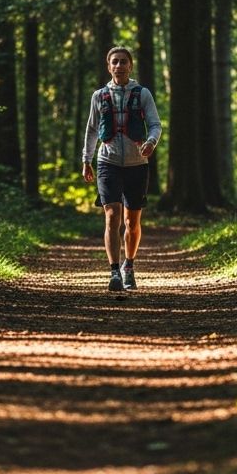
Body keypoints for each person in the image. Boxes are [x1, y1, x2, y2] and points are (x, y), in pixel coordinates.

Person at [82, 46, 162, 293]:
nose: (118, 66)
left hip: (137, 164)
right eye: (114, 62)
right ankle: (114, 271)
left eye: (123, 61)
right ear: (109, 66)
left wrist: (150, 142)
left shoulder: (143, 94)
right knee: (112, 216)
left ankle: (129, 265)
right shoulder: (99, 96)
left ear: (130, 66)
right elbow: (92, 129)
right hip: (108, 163)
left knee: (132, 221)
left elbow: (155, 125)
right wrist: (87, 160)